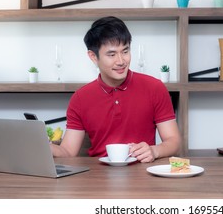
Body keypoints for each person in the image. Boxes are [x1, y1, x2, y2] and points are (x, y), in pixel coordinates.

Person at [50, 16, 181, 162]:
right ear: (93, 56)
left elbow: (173, 141)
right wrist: (45, 146)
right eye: (111, 54)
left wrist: (154, 151)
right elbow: (68, 151)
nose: (121, 61)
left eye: (125, 51)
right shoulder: (80, 98)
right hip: (97, 177)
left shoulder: (155, 88)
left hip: (143, 174)